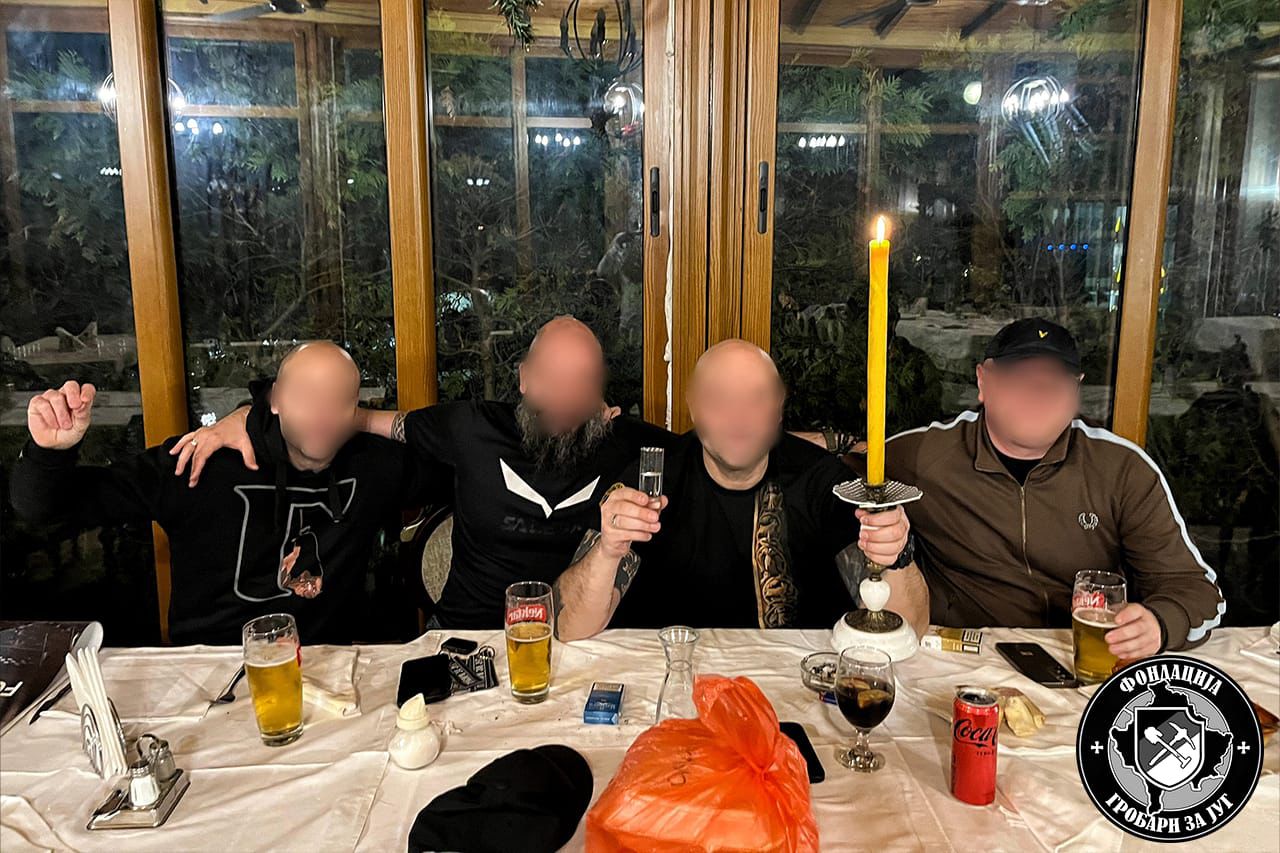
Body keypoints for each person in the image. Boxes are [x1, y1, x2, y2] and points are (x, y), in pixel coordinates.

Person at [173, 317, 672, 629]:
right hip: (461, 637)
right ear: (524, 378)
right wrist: (254, 418)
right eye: (552, 378)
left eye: (582, 382)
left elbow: (704, 445)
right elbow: (355, 418)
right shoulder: (470, 427)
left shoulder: (624, 442)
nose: (566, 396)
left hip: (572, 642)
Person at [10, 342, 443, 644]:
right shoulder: (200, 460)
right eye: (306, 396)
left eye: (338, 400)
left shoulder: (374, 465)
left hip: (327, 672)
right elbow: (47, 510)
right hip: (207, 673)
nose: (321, 414)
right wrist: (49, 453)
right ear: (274, 399)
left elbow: (462, 461)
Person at [883, 318, 1224, 655]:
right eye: (1019, 378)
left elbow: (1194, 588)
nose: (1038, 395)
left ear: (1076, 390)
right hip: (962, 657)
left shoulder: (1121, 469)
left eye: (1056, 383)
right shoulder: (920, 457)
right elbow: (858, 472)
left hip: (1083, 657)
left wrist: (1159, 624)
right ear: (983, 381)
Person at [552, 339, 927, 641]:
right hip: (677, 682)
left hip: (797, 689)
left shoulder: (822, 481)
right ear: (694, 407)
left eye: (756, 397)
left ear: (778, 408)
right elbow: (568, 626)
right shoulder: (651, 479)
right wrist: (608, 550)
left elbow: (910, 628)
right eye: (719, 399)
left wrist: (896, 555)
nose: (738, 416)